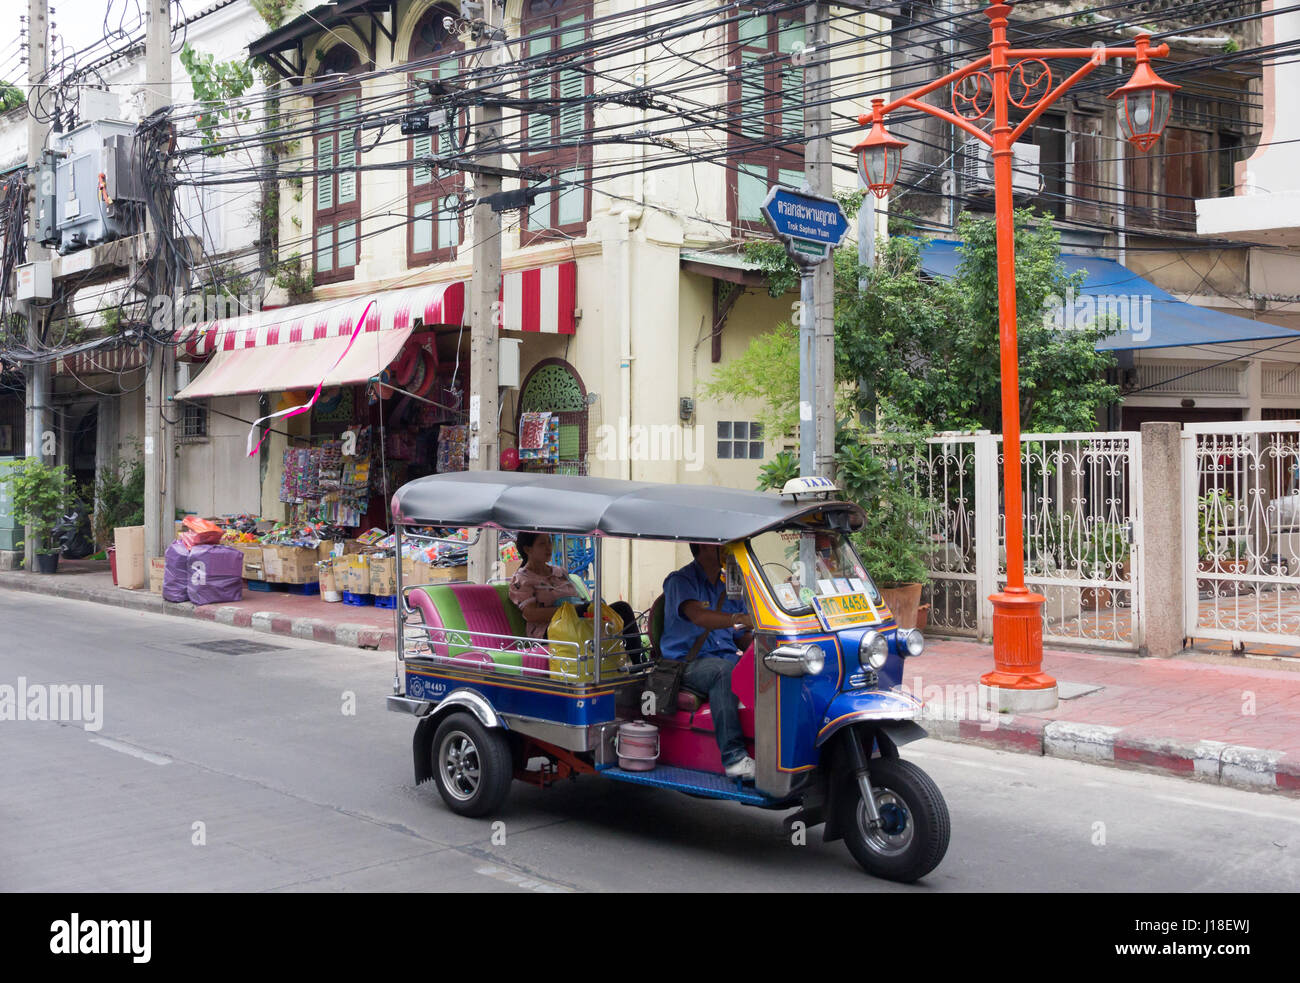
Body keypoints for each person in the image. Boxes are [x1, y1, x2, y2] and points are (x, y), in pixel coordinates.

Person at [660, 543, 755, 779]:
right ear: (704, 545)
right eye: (723, 545)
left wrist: (765, 648)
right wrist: (738, 617)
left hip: (725, 659)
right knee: (723, 672)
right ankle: (734, 758)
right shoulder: (681, 580)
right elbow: (699, 616)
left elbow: (740, 635)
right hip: (686, 665)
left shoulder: (728, 587)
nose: (729, 551)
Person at [508, 532, 642, 656]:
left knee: (622, 608)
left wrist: (583, 608)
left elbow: (578, 599)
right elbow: (530, 614)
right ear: (528, 549)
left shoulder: (560, 572)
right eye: (542, 544)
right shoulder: (522, 579)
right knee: (588, 610)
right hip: (550, 630)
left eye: (549, 542)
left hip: (578, 619)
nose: (548, 547)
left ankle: (639, 663)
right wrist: (569, 611)